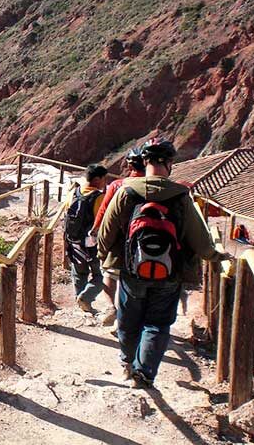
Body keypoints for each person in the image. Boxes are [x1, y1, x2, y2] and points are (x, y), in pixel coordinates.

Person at [97, 138, 231, 389]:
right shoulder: (181, 195)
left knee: (128, 321)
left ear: (144, 162)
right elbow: (200, 240)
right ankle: (144, 373)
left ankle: (127, 363)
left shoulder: (126, 191)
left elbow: (106, 233)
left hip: (131, 269)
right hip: (170, 273)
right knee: (157, 323)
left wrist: (104, 255)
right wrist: (216, 256)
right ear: (170, 164)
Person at [92, 146, 146, 326]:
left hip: (118, 240)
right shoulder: (154, 186)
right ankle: (128, 318)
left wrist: (95, 229)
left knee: (109, 273)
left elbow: (104, 210)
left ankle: (111, 308)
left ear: (129, 165)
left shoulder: (117, 185)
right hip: (144, 243)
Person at [65, 164, 108, 313]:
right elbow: (103, 221)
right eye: (104, 179)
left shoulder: (73, 193)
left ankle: (81, 300)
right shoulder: (100, 197)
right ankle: (86, 297)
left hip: (74, 242)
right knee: (101, 275)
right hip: (92, 244)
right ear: (97, 179)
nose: (105, 182)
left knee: (78, 273)